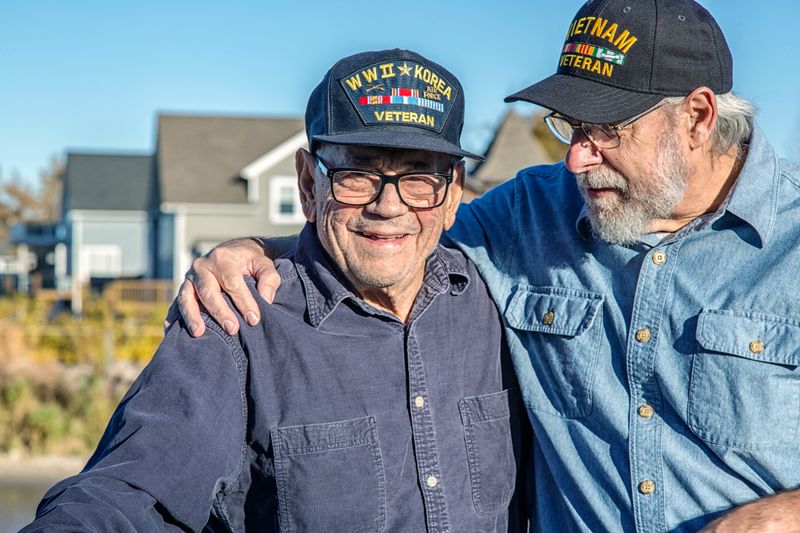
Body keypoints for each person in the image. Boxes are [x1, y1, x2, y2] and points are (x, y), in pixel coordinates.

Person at [177, 1, 800, 531]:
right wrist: (260, 247)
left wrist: (778, 515)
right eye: (570, 127)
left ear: (696, 117)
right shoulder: (530, 209)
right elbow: (395, 228)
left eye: (606, 130)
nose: (578, 159)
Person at [23, 49, 529, 532]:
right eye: (357, 175)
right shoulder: (235, 321)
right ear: (309, 184)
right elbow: (128, 493)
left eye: (419, 177)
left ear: (453, 191)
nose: (388, 206)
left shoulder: (503, 301)